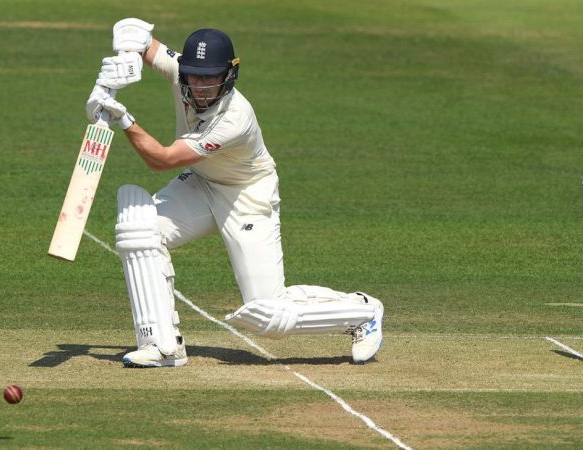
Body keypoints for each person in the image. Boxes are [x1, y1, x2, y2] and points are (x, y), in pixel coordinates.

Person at [85, 18, 384, 368]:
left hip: (246, 196)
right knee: (141, 230)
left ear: (228, 75)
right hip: (200, 184)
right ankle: (162, 345)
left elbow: (162, 160)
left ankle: (362, 312)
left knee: (268, 315)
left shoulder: (234, 119)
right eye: (195, 77)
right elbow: (144, 41)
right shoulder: (184, 70)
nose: (202, 87)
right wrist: (127, 47)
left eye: (211, 78)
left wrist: (123, 119)